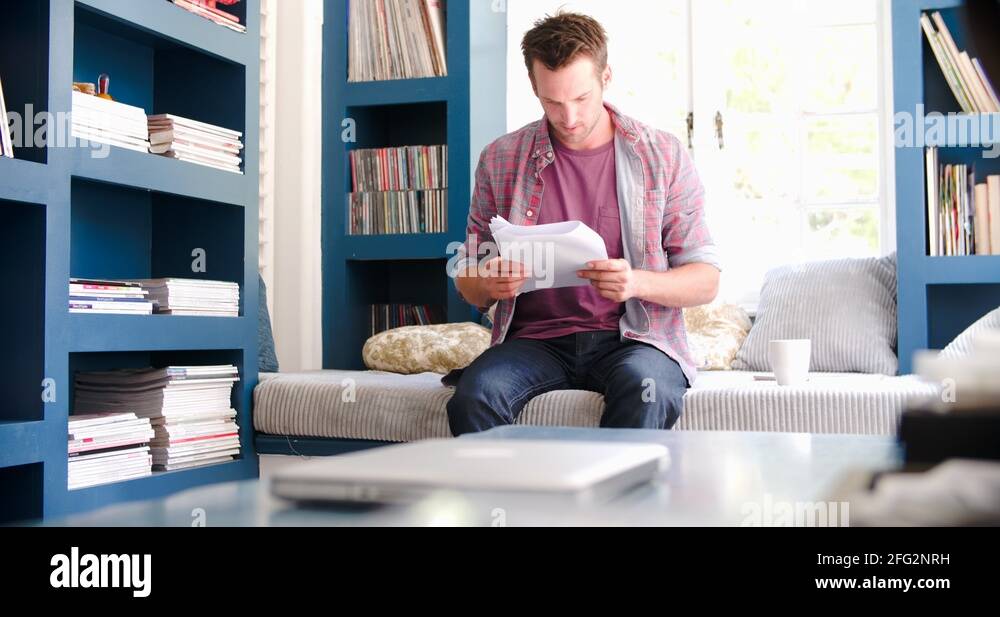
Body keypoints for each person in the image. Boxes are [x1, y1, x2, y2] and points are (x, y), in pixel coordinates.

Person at [447, 12, 720, 436]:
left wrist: (635, 283)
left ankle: (612, 503)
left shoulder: (662, 155)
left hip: (635, 340)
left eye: (581, 98)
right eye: (552, 102)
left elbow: (705, 281)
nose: (569, 117)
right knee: (475, 394)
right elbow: (467, 279)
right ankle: (507, 504)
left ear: (606, 76)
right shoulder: (500, 158)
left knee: (645, 389)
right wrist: (489, 282)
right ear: (534, 88)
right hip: (534, 342)